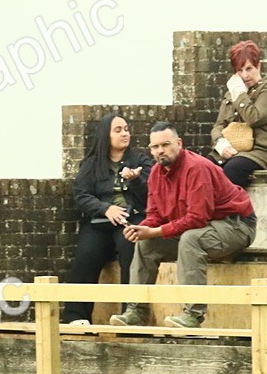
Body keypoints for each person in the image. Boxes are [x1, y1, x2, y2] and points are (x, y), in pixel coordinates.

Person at [110, 122, 257, 330]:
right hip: (204, 227)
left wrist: (156, 231)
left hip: (237, 225)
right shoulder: (155, 174)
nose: (160, 151)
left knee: (191, 239)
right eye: (155, 147)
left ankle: (192, 315)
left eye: (165, 144)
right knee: (146, 244)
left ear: (179, 143)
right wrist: (141, 229)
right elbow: (155, 214)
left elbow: (197, 218)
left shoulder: (196, 168)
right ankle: (137, 311)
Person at [61, 113, 152, 325]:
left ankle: (131, 313)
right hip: (99, 222)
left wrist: (136, 181)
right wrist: (105, 208)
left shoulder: (140, 161)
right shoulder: (92, 164)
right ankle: (76, 317)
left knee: (131, 247)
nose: (124, 133)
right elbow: (81, 194)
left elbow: (151, 194)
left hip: (130, 219)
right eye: (118, 130)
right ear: (106, 135)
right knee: (87, 253)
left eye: (126, 129)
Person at [210, 40, 267, 188]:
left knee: (233, 169)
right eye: (240, 70)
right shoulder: (233, 93)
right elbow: (218, 125)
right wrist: (221, 144)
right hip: (235, 151)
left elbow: (254, 118)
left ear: (259, 66)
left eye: (249, 68)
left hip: (265, 152)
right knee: (206, 167)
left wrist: (238, 93)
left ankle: (235, 210)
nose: (245, 75)